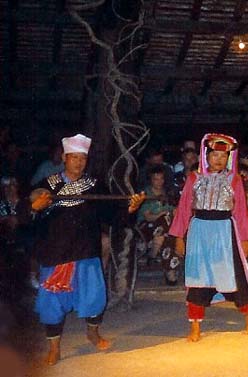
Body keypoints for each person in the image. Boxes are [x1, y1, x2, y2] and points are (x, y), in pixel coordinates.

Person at [29, 134, 145, 365]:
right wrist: (36, 206)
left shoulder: (94, 186)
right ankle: (55, 347)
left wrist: (130, 209)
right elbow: (28, 210)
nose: (78, 163)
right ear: (64, 158)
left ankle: (93, 332)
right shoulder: (48, 185)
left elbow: (112, 215)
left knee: (93, 297)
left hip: (86, 251)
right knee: (52, 301)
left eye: (82, 158)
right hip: (56, 253)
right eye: (74, 158)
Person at [168, 133, 248, 342]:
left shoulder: (234, 179)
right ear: (206, 155)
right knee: (197, 278)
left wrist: (247, 239)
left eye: (223, 155)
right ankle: (195, 326)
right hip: (199, 231)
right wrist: (179, 237)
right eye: (214, 155)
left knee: (234, 276)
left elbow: (241, 213)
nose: (218, 159)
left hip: (224, 232)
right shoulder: (195, 178)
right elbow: (183, 209)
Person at [136, 166, 179, 285]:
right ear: (151, 180)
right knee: (164, 225)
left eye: (161, 179)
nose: (159, 182)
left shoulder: (168, 192)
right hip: (148, 225)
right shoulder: (145, 193)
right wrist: (161, 213)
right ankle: (170, 272)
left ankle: (154, 254)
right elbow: (147, 216)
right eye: (156, 179)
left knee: (166, 234)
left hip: (164, 229)